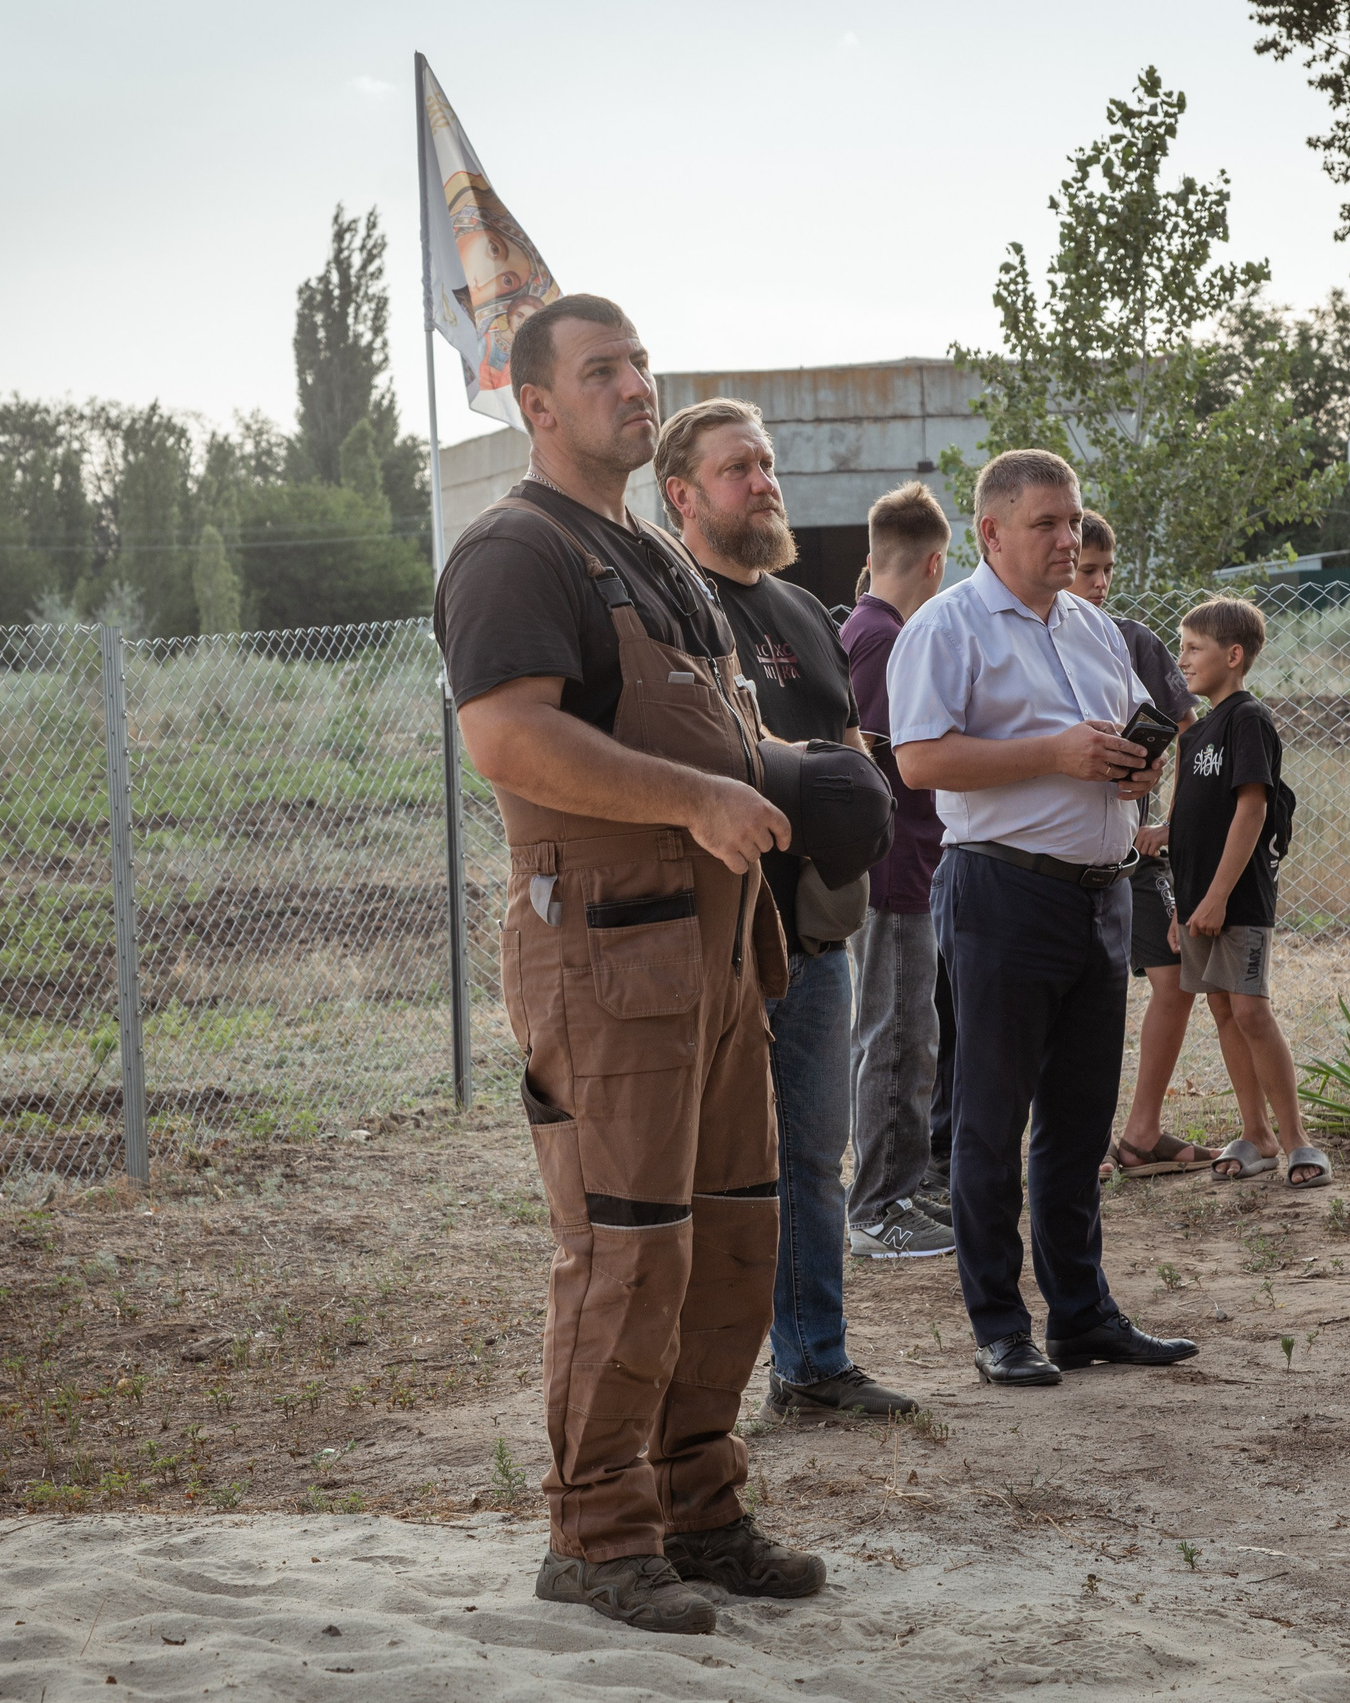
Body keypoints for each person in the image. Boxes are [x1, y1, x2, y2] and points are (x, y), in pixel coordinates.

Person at [435, 295, 821, 1634]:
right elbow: (511, 741)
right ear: (535, 403)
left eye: (639, 363)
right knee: (628, 1247)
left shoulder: (651, 550)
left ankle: (698, 1506)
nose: (633, 386)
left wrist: (792, 779)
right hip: (608, 948)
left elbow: (713, 726)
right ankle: (598, 1531)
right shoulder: (514, 551)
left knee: (731, 1233)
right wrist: (696, 801)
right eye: (599, 371)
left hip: (714, 944)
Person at [887, 448, 1198, 1388]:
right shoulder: (947, 628)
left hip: (1101, 891)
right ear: (990, 532)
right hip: (1002, 889)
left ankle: (1082, 1315)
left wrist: (1139, 771)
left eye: (1075, 521)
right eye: (1046, 524)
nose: (1069, 539)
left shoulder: (1096, 630)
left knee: (1078, 1116)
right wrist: (1053, 754)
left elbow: (1135, 734)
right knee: (990, 1118)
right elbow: (919, 760)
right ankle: (998, 1325)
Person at [653, 399, 926, 1424]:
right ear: (682, 494)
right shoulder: (675, 607)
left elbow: (848, 736)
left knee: (812, 1153)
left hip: (812, 932)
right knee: (705, 1166)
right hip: (711, 934)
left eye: (766, 465)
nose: (764, 482)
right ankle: (686, 1380)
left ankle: (812, 1362)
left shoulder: (807, 608)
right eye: (738, 469)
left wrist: (851, 788)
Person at [1066, 511, 1217, 1179]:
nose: (1098, 583)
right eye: (1086, 570)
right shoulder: (1030, 647)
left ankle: (1141, 1129)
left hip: (1134, 852)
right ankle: (1080, 1138)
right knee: (1073, 996)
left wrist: (1170, 823)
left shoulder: (1131, 640)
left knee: (1173, 979)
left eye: (1105, 571)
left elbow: (1191, 731)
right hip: (1066, 857)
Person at [1164, 597, 1327, 1187]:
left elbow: (1252, 809)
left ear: (1233, 656)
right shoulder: (1197, 731)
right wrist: (1183, 903)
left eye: (1192, 648)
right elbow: (1185, 821)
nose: (1181, 658)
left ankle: (1297, 1140)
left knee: (1252, 1010)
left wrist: (1215, 897)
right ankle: (1254, 1133)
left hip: (1238, 900)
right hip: (1197, 904)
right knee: (1223, 1008)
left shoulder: (1246, 719)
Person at [840, 481, 960, 1258]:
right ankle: (879, 1206)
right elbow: (902, 763)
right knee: (895, 1036)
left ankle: (907, 1186)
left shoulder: (871, 629)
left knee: (912, 1033)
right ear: (935, 564)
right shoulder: (885, 638)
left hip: (903, 867)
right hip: (892, 872)